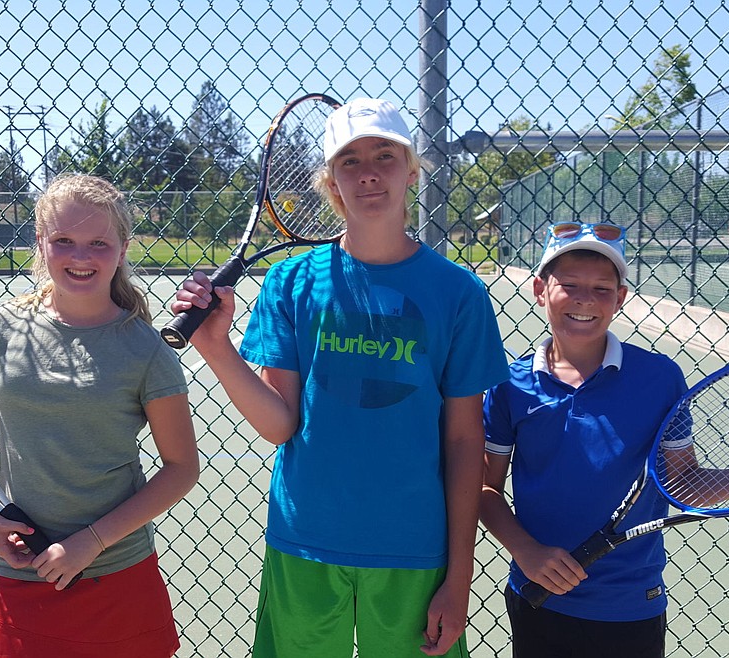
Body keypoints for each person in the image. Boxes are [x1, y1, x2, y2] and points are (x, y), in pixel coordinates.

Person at [170, 97, 509, 657]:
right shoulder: (291, 282)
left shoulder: (459, 293)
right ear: (331, 181)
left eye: (385, 155)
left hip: (415, 550)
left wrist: (459, 578)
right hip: (306, 543)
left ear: (411, 169)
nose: (369, 171)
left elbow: (465, 439)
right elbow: (280, 425)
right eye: (349, 161)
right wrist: (215, 346)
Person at [478, 221, 729, 658]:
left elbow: (680, 483)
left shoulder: (660, 377)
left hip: (631, 606)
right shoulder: (508, 386)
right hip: (537, 595)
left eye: (602, 288)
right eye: (568, 284)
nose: (585, 298)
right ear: (539, 290)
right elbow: (485, 486)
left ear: (621, 298)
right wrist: (526, 550)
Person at [0, 173, 200, 657]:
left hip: (116, 572)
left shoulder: (146, 349)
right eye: (63, 240)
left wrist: (91, 542)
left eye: (98, 243)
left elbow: (181, 468)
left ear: (124, 247)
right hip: (21, 570)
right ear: (41, 242)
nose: (81, 257)